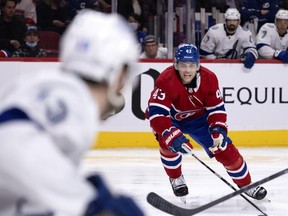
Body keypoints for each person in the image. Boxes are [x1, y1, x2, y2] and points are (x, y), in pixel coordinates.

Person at [0, 9, 143, 216]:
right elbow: (11, 143)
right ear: (114, 69)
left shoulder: (48, 87)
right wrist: (91, 202)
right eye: (125, 71)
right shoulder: (73, 98)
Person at [146, 43, 267, 203]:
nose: (187, 70)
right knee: (167, 144)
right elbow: (157, 113)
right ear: (176, 65)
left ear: (198, 66)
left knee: (225, 150)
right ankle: (176, 178)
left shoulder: (209, 78)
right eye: (183, 65)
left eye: (191, 65)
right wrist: (171, 134)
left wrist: (218, 130)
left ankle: (246, 185)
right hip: (171, 119)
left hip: (199, 120)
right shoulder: (166, 79)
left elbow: (216, 109)